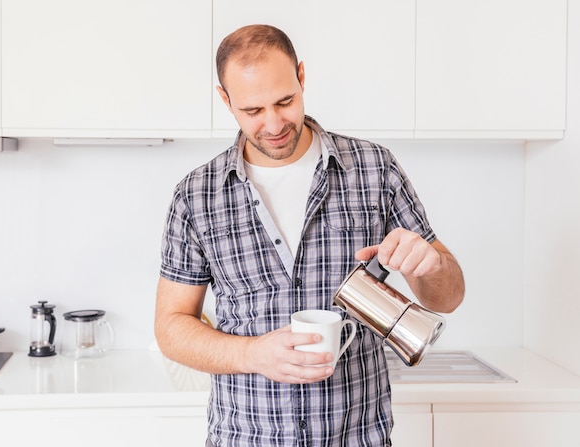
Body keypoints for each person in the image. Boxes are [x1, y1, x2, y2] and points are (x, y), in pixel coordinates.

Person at [155, 24, 464, 447]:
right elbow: (171, 326)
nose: (274, 122)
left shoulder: (375, 168)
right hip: (244, 436)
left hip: (358, 436)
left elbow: (446, 297)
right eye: (253, 110)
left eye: (285, 100)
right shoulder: (197, 195)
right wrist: (251, 355)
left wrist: (430, 265)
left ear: (302, 76)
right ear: (225, 100)